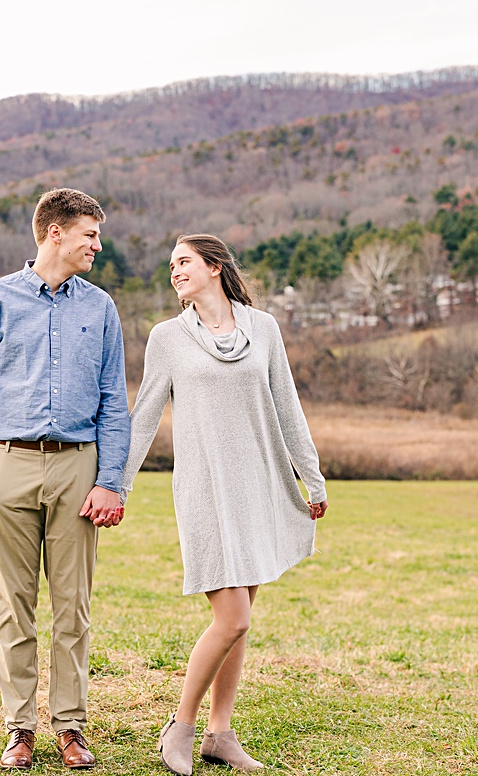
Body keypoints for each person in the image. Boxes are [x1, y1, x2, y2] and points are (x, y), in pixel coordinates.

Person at [121, 234, 328, 775]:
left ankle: (220, 733)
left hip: (260, 485)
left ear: (215, 266)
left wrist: (313, 476)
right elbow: (143, 415)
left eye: (184, 261)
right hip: (206, 490)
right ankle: (181, 727)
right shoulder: (167, 338)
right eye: (170, 266)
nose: (175, 271)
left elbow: (288, 406)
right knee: (231, 617)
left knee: (242, 619)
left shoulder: (262, 328)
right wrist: (115, 484)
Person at [0, 188, 130, 770]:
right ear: (55, 232)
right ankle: (19, 728)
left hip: (79, 469)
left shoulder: (100, 308)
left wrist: (112, 481)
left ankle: (71, 727)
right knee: (15, 605)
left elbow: (113, 402)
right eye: (90, 236)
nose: (97, 247)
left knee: (73, 608)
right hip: (8, 466)